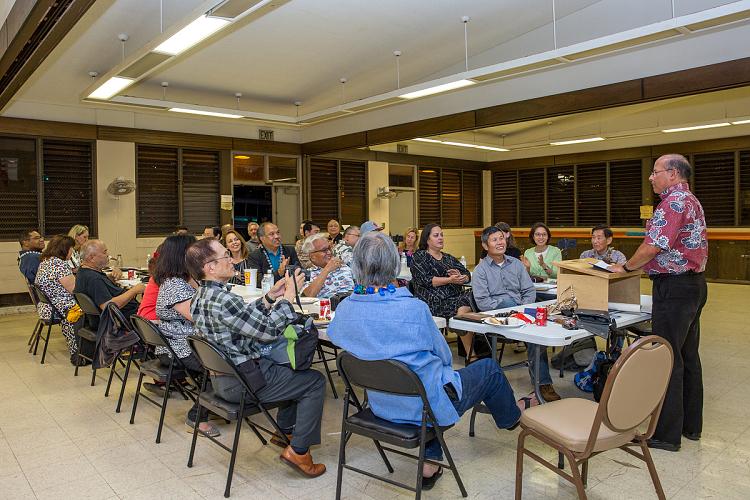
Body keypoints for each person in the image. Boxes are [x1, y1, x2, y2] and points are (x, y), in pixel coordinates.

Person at [328, 231, 523, 488]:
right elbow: (443, 357)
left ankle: (430, 463)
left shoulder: (344, 309)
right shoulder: (414, 309)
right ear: (394, 265)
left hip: (381, 405)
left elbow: (336, 338)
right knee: (487, 368)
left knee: (418, 379)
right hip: (423, 407)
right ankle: (512, 418)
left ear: (357, 264)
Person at [186, 238, 326, 477]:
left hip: (222, 380)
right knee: (314, 381)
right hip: (244, 382)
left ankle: (283, 431)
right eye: (225, 256)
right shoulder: (225, 299)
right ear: (210, 267)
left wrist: (270, 298)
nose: (232, 259)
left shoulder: (201, 296)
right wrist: (288, 298)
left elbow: (244, 321)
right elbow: (268, 332)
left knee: (288, 370)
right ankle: (299, 452)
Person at [609, 154, 708, 452]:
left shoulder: (674, 202)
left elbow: (652, 246)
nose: (651, 177)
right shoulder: (691, 199)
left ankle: (666, 434)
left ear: (674, 174)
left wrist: (626, 268)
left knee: (668, 357)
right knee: (688, 355)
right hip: (693, 286)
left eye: (655, 172)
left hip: (675, 288)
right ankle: (691, 426)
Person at [457, 226, 560, 401]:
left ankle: (543, 384)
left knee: (537, 334)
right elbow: (482, 302)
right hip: (496, 318)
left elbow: (529, 291)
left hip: (520, 313)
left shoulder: (516, 264)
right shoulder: (481, 270)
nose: (500, 242)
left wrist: (521, 310)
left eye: (501, 238)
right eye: (494, 240)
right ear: (485, 245)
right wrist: (511, 309)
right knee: (508, 303)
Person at [153, 234, 220, 437]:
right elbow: (197, 316)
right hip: (178, 347)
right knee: (218, 368)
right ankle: (197, 417)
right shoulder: (174, 285)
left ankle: (214, 402)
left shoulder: (181, 281)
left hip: (184, 343)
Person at [34, 235, 81, 363]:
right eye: (71, 249)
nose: (72, 252)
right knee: (95, 307)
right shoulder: (59, 264)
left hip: (48, 306)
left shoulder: (46, 261)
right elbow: (75, 290)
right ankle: (84, 351)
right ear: (64, 249)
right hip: (60, 308)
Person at [411, 223, 470, 319]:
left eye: (442, 235)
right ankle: (460, 323)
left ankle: (460, 323)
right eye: (436, 235)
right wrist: (449, 280)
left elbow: (466, 272)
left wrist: (462, 277)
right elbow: (426, 280)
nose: (440, 238)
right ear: (427, 239)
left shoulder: (448, 258)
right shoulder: (420, 257)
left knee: (476, 294)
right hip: (433, 302)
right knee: (467, 304)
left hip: (454, 297)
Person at [74, 240, 145, 319]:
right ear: (92, 258)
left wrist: (110, 278)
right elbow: (107, 306)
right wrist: (134, 291)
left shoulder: (83, 271)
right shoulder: (94, 279)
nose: (108, 255)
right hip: (126, 318)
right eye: (104, 252)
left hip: (127, 315)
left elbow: (99, 290)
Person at [246, 222, 300, 287]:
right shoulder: (255, 256)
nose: (277, 236)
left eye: (278, 232)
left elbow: (299, 271)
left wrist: (290, 269)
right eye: (271, 234)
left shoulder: (290, 251)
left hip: (289, 290)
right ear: (262, 238)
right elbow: (258, 281)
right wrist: (279, 273)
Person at [301, 233, 354, 299]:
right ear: (312, 257)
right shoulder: (306, 274)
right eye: (324, 250)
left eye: (329, 248)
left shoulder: (344, 267)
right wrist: (327, 270)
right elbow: (309, 296)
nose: (329, 252)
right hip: (326, 307)